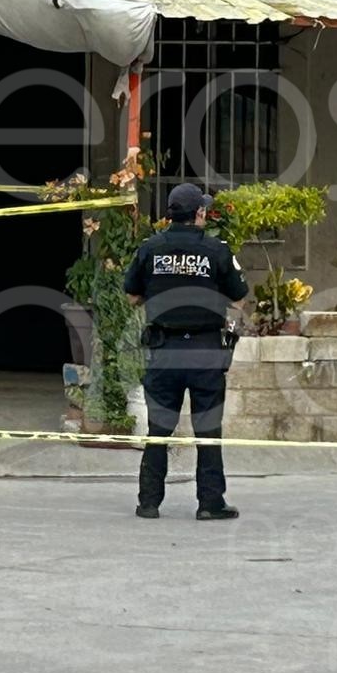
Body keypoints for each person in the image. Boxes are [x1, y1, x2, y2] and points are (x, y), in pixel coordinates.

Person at [122, 182, 249, 520]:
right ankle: (210, 503)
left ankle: (149, 502)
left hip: (164, 349)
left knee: (159, 430)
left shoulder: (150, 248)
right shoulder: (217, 250)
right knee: (208, 431)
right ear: (200, 213)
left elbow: (132, 296)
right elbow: (239, 299)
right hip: (205, 351)